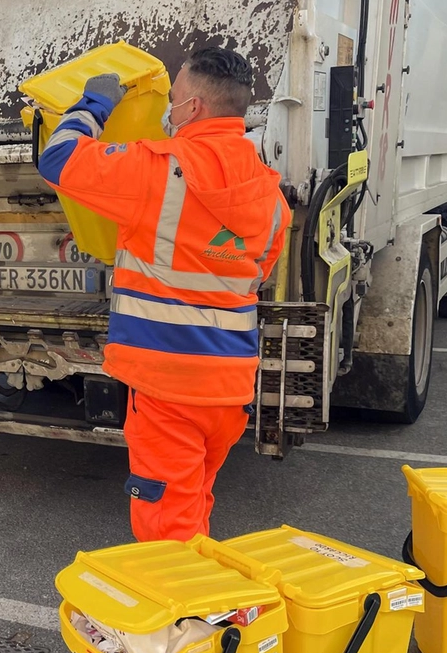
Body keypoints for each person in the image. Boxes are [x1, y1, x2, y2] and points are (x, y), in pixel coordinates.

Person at [36, 47, 292, 542]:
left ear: (193, 108)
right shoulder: (269, 193)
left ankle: (186, 619)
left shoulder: (158, 170)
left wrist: (94, 106)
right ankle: (200, 612)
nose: (166, 109)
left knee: (165, 534)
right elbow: (254, 275)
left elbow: (58, 160)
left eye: (172, 98)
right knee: (191, 508)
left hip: (167, 384)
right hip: (229, 390)